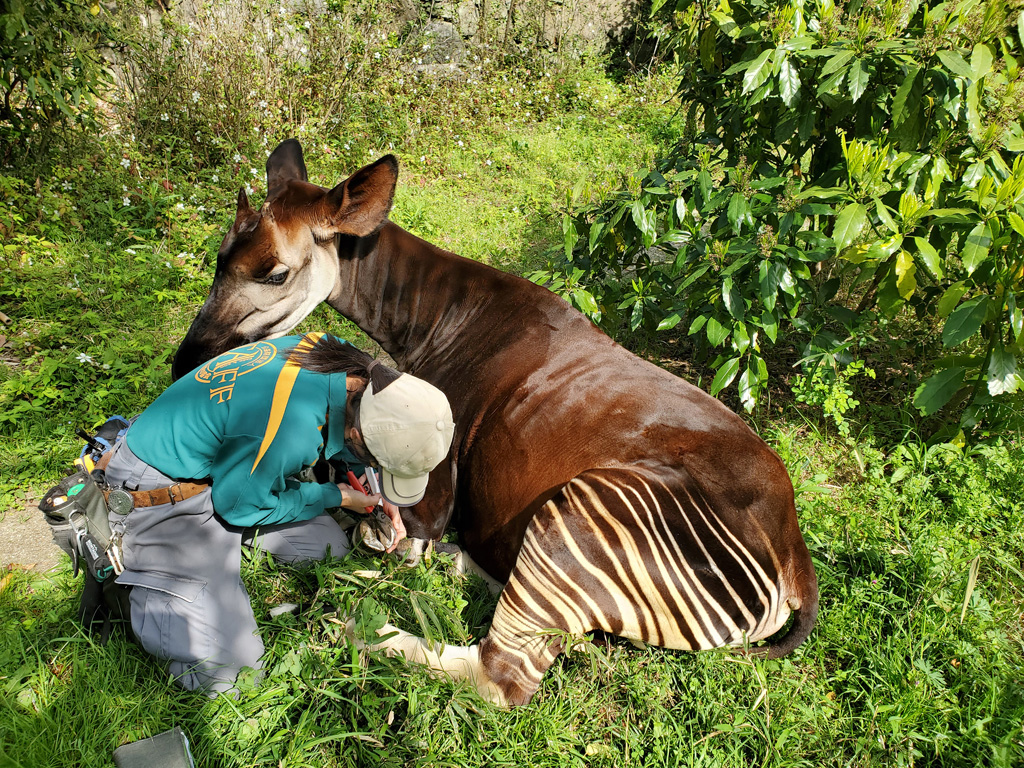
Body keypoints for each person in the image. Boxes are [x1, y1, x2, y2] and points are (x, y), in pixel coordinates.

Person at [101, 331, 455, 695]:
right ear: (357, 432)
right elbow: (238, 506)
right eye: (378, 460)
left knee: (326, 547)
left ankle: (218, 550)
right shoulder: (289, 427)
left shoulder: (353, 368)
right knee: (235, 678)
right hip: (166, 491)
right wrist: (337, 496)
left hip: (230, 472)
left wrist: (383, 489)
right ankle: (149, 588)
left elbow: (347, 435)